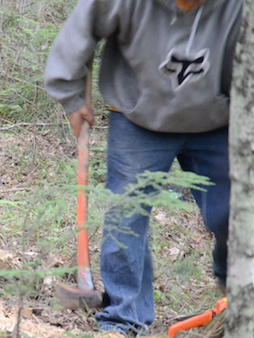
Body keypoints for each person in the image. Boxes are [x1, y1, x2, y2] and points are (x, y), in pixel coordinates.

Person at [44, 0, 242, 337]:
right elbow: (82, 28)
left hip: (217, 120)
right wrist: (71, 94)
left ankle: (238, 289)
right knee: (126, 217)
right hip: (137, 118)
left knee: (233, 213)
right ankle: (123, 318)